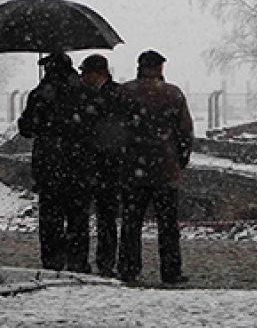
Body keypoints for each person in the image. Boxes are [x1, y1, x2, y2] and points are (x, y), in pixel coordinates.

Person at [115, 49, 194, 285]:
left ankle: (129, 268)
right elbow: (185, 132)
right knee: (168, 224)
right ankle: (170, 271)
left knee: (131, 222)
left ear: (139, 67)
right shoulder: (173, 94)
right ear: (160, 68)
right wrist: (179, 159)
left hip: (132, 167)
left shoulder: (124, 93)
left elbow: (113, 129)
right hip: (164, 167)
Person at [17, 52, 93, 273]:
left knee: (50, 216)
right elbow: (93, 127)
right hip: (79, 164)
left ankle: (52, 260)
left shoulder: (40, 95)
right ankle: (78, 261)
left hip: (49, 164)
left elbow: (26, 128)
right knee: (78, 217)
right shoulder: (84, 93)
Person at [79, 54, 125, 277]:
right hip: (106, 163)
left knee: (101, 215)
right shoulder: (118, 93)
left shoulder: (95, 96)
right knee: (106, 216)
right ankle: (105, 261)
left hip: (101, 163)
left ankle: (102, 260)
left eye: (85, 72)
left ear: (95, 73)